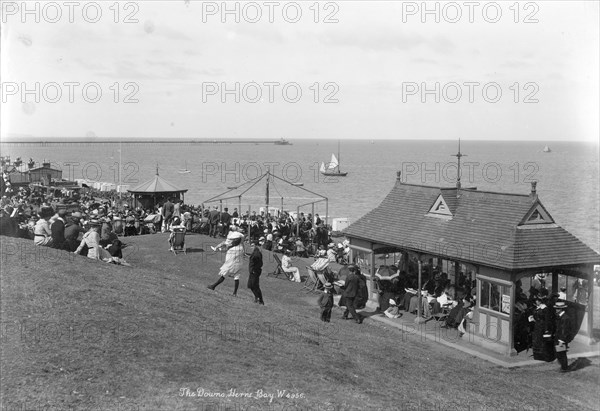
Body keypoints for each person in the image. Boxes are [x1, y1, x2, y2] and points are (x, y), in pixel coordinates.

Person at [554, 301, 574, 372]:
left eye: (557, 309)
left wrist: (561, 340)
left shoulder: (565, 318)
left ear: (561, 309)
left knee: (561, 353)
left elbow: (564, 330)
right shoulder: (561, 317)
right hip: (559, 338)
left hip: (562, 339)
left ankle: (564, 367)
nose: (556, 310)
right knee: (560, 353)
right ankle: (563, 366)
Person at [247, 239, 264, 305]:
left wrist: (254, 270)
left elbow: (259, 263)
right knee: (251, 285)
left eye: (252, 245)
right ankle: (257, 297)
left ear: (256, 246)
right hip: (252, 271)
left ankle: (260, 300)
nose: (251, 247)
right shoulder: (255, 252)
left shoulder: (257, 253)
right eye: (251, 246)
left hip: (255, 271)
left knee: (255, 286)